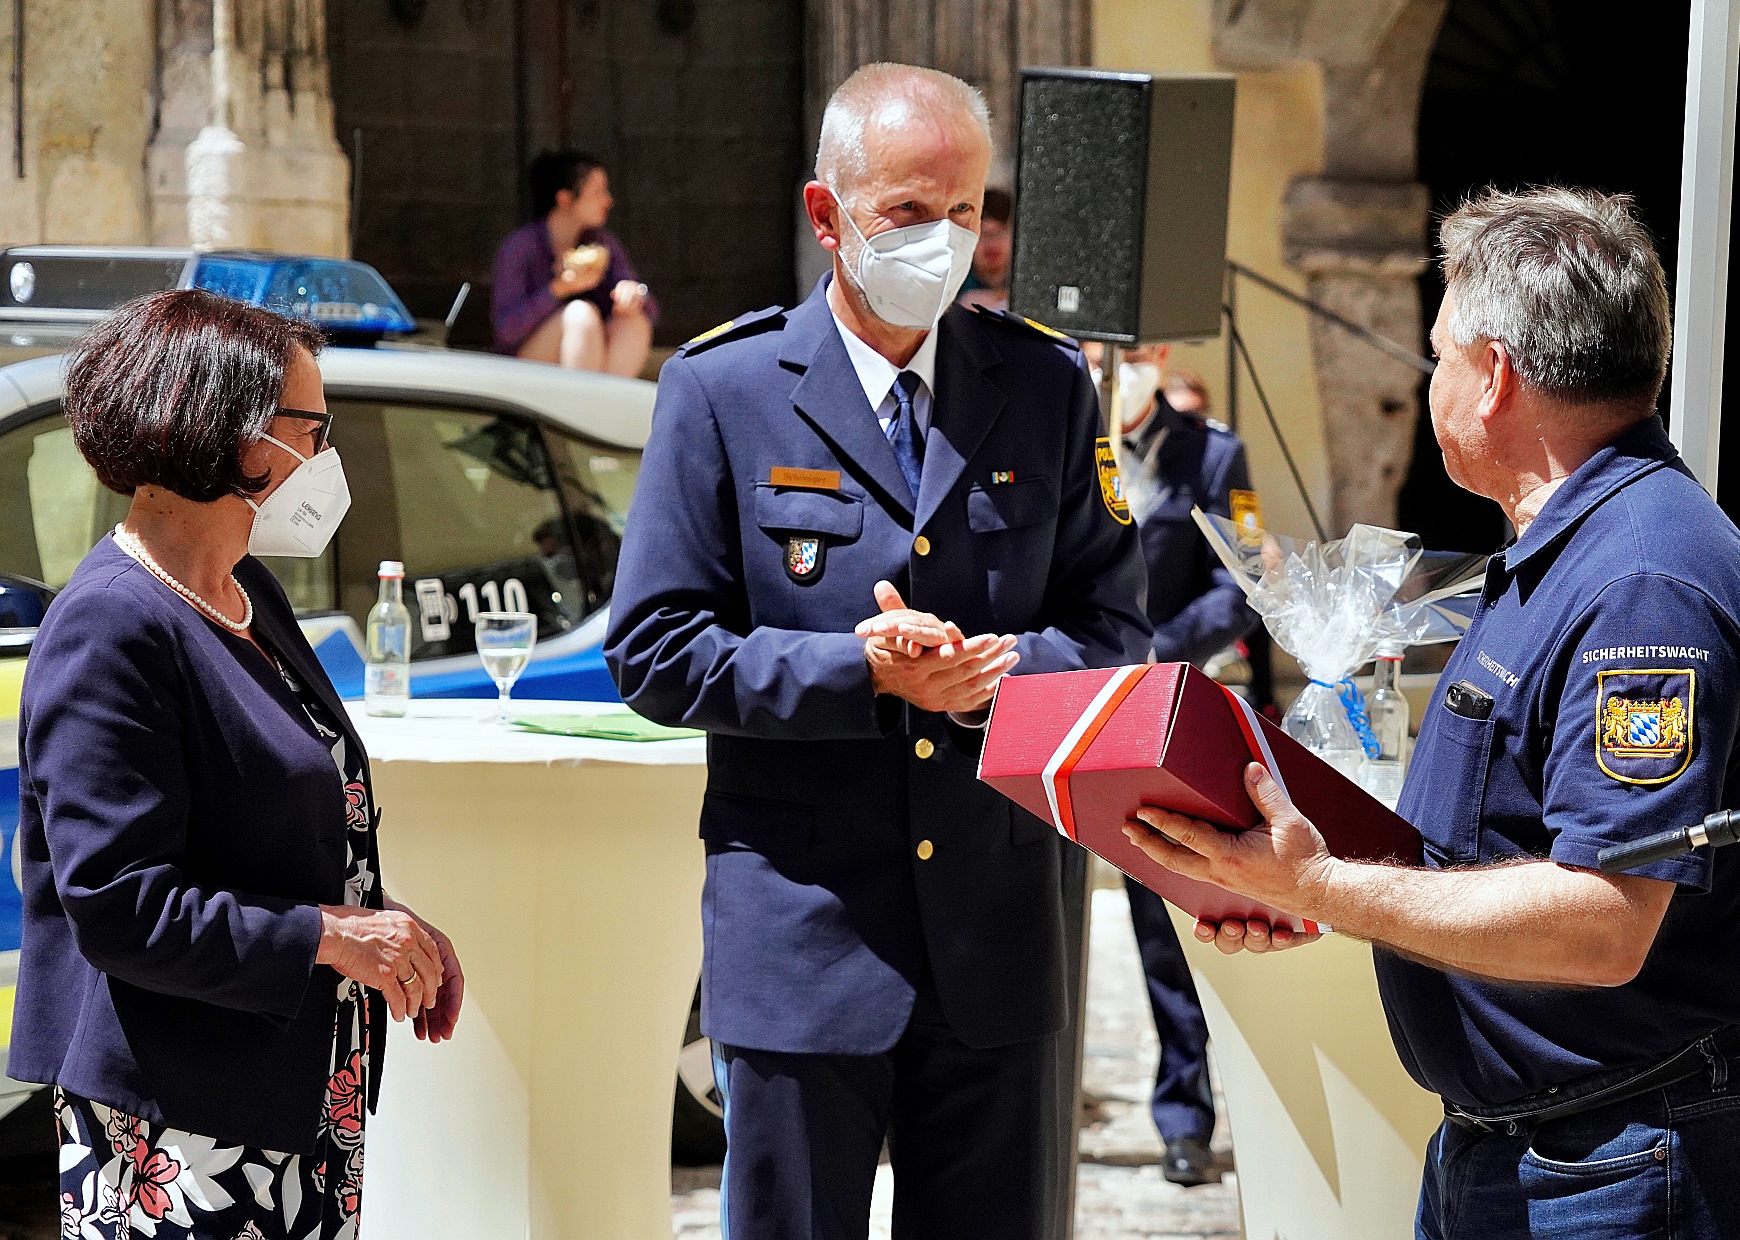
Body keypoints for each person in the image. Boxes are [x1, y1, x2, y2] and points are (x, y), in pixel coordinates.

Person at [1124, 187, 1740, 1237]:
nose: (1431, 383)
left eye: (1439, 355)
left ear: (1496, 375)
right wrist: (1310, 885)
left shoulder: (1645, 581)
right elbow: (1490, 844)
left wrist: (1323, 879)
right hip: (1531, 1145)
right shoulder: (1569, 549)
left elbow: (1603, 920)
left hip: (1629, 1155)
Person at [603, 63, 1150, 1240]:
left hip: (996, 939)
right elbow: (653, 649)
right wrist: (862, 673)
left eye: (967, 212)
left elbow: (1116, 629)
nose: (946, 241)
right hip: (805, 937)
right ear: (827, 214)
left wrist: (988, 679)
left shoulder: (1045, 384)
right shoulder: (723, 386)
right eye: (908, 212)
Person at [12, 290, 465, 1240]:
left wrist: (384, 922)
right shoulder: (112, 622)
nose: (326, 456)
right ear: (233, 435)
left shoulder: (245, 588)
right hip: (180, 1119)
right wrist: (331, 939)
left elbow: (286, 818)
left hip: (291, 1087)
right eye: (315, 427)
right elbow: (120, 902)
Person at [1111, 341, 1261, 1186]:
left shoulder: (1213, 450)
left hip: (1159, 711)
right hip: (1047, 704)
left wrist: (1148, 660)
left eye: (1134, 349)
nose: (1118, 362)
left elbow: (1236, 581)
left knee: (1163, 919)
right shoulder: (1060, 431)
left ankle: (1185, 1114)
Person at [491, 149, 660, 376]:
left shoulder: (602, 243)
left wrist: (633, 295)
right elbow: (506, 331)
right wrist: (557, 290)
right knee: (581, 314)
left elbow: (650, 308)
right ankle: (583, 406)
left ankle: (604, 404)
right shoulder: (521, 247)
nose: (608, 201)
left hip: (594, 362)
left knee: (633, 321)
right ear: (565, 199)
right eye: (598, 192)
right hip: (525, 368)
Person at [957, 186, 1012, 311]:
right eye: (983, 234)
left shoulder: (1032, 283)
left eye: (1000, 232)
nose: (991, 242)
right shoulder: (952, 285)